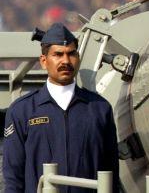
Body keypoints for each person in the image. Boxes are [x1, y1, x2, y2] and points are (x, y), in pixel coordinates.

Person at [2, 23, 120, 192]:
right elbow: (13, 177)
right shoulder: (22, 111)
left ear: (78, 58)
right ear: (44, 61)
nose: (65, 61)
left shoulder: (99, 109)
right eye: (58, 54)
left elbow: (111, 175)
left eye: (71, 54)